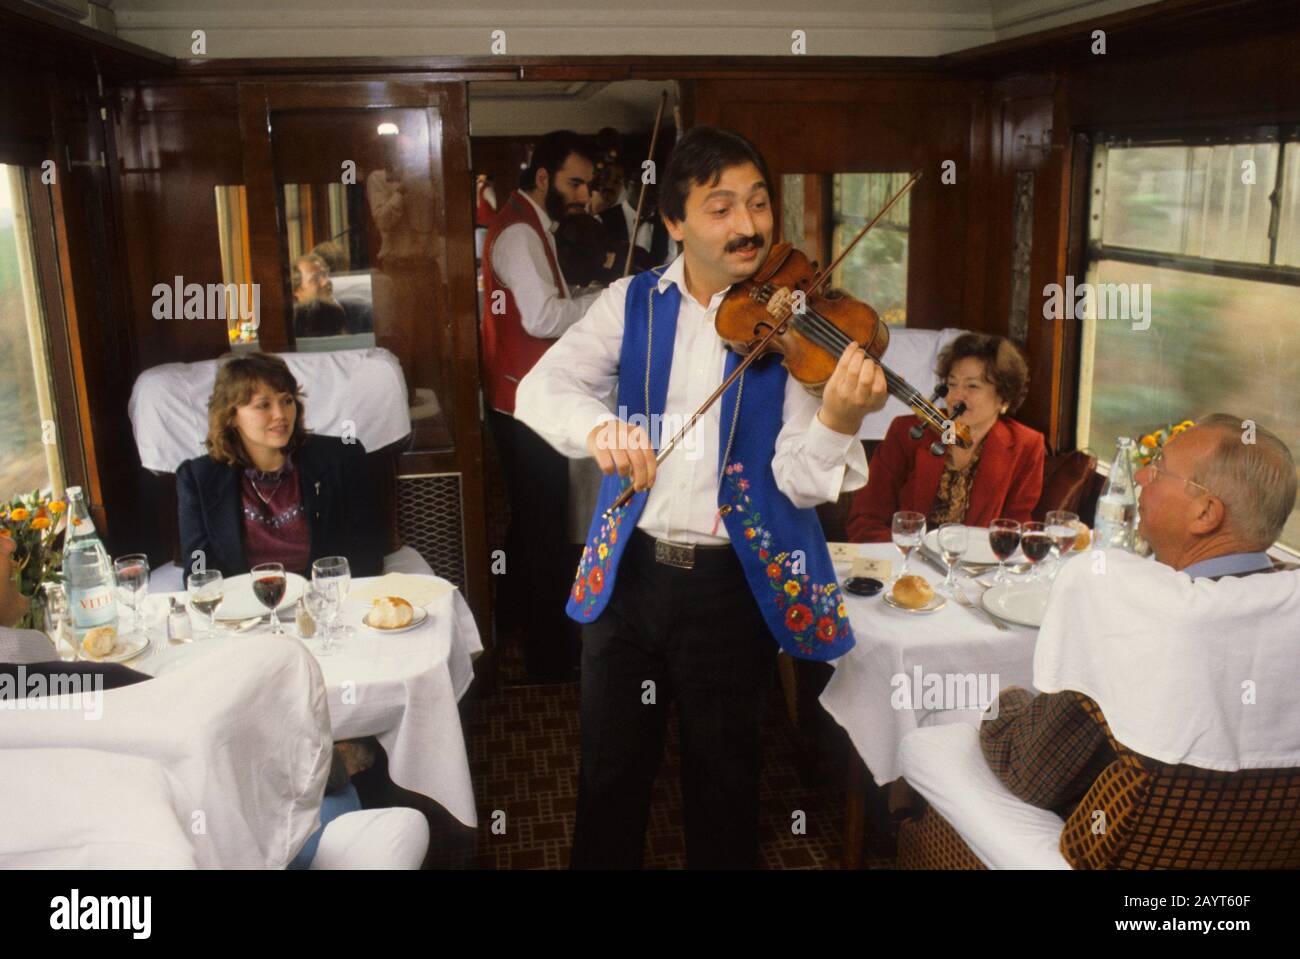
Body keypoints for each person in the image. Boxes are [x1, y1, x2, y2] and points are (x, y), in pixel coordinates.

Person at [516, 126, 888, 868]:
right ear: (677, 223)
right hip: (630, 575)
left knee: (725, 787)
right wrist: (600, 428)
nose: (748, 225)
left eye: (757, 204)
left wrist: (838, 421)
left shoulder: (796, 327)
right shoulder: (631, 302)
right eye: (720, 208)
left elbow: (800, 480)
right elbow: (540, 387)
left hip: (728, 587)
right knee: (609, 777)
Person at [979, 415, 1298, 814]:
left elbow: (1032, 771)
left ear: (1205, 514)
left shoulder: (1143, 615)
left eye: (1160, 469)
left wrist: (1003, 704)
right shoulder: (1286, 606)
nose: (1144, 475)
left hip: (1125, 845)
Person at [481, 130, 604, 681]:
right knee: (546, 531)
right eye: (574, 182)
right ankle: (550, 659)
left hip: (520, 399)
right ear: (542, 178)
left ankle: (509, 620)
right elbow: (542, 319)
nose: (583, 194)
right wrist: (606, 299)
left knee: (528, 525)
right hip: (521, 403)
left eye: (588, 184)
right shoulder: (518, 236)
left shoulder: (532, 226)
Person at [177, 352, 383, 579]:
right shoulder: (196, 478)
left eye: (287, 400)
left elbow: (368, 557)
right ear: (231, 416)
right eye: (263, 405)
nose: (280, 415)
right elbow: (199, 575)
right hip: (245, 608)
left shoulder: (342, 457)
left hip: (325, 600)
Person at [846, 332, 1045, 542]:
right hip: (906, 562)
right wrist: (913, 557)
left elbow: (1014, 531)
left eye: (972, 386)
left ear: (1003, 397)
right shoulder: (906, 431)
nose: (956, 396)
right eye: (951, 384)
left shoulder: (1027, 444)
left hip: (976, 569)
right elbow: (865, 520)